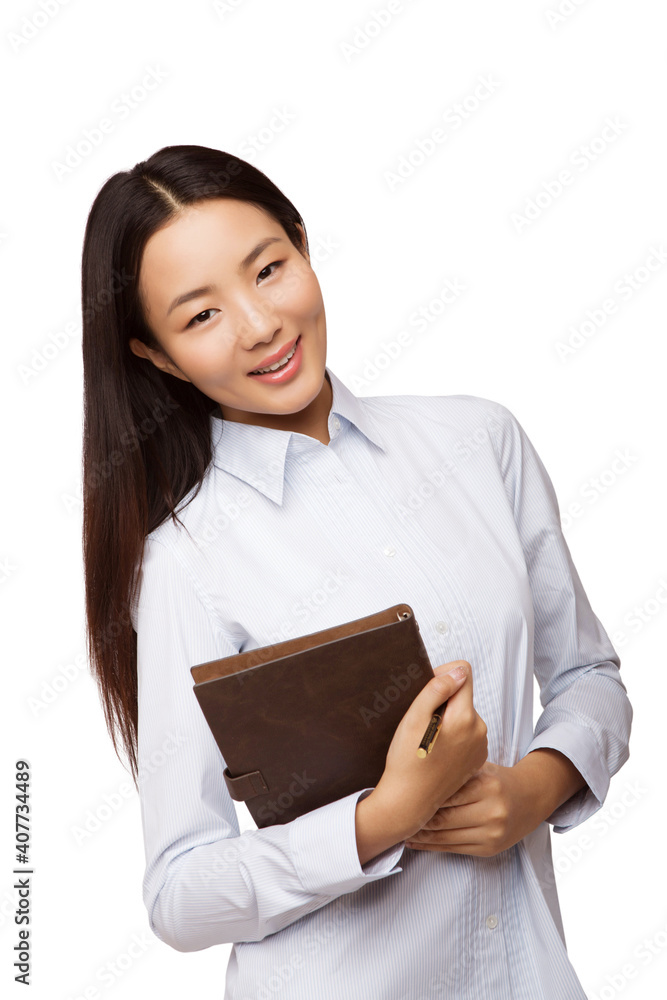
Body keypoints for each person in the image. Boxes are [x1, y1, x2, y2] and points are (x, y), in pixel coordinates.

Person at [81, 144, 633, 1000]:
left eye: (268, 269)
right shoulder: (184, 559)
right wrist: (380, 821)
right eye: (199, 317)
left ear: (302, 244)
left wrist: (536, 786)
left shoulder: (478, 442)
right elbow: (178, 892)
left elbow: (589, 676)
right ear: (154, 355)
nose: (260, 324)